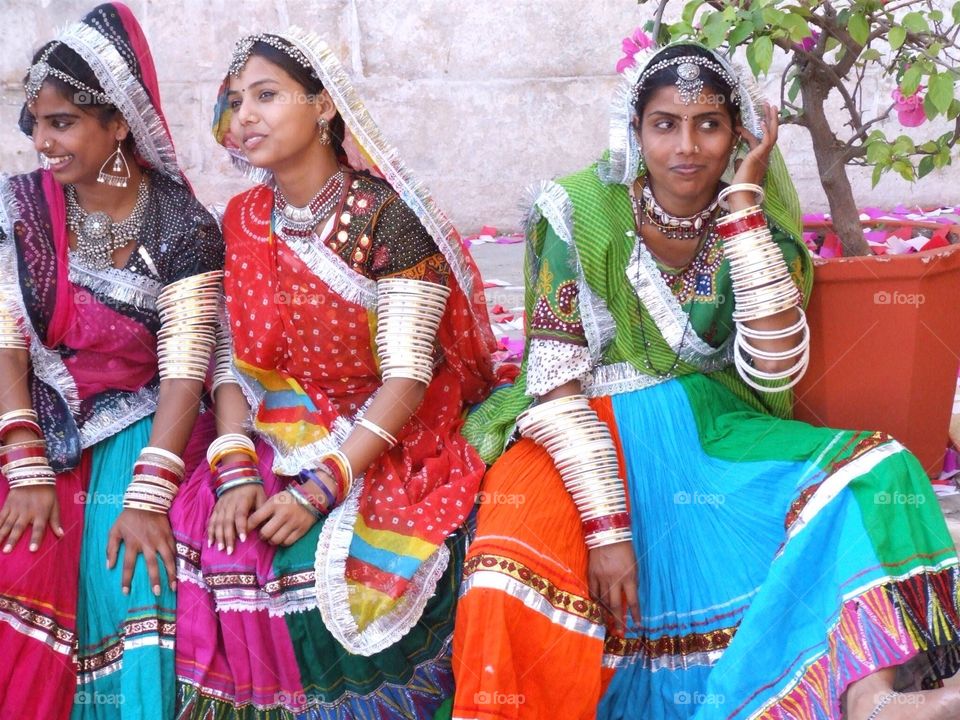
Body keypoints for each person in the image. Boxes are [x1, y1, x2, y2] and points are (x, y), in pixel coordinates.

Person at [451, 40, 960, 720]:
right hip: (578, 427)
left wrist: (745, 206)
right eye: (665, 123)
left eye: (709, 124)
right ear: (634, 132)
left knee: (878, 469)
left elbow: (774, 366)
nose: (686, 146)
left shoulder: (752, 222)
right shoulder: (573, 211)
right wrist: (608, 531)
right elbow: (554, 380)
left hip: (708, 424)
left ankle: (872, 698)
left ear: (738, 133)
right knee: (507, 570)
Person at [169, 27, 500, 719]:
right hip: (276, 420)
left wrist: (322, 488)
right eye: (235, 100)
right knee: (212, 533)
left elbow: (408, 379)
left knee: (328, 569)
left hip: (384, 430)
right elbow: (233, 356)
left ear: (323, 107)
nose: (244, 116)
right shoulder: (244, 217)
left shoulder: (385, 217)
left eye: (265, 95)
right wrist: (231, 464)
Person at [0, 3, 223, 719]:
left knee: (132, 569)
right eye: (35, 122)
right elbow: (6, 338)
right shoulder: (23, 208)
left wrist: (148, 495)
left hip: (144, 420)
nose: (41, 142)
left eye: (61, 123)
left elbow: (186, 369)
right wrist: (26, 462)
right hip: (31, 412)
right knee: (21, 548)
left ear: (118, 123)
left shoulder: (182, 226)